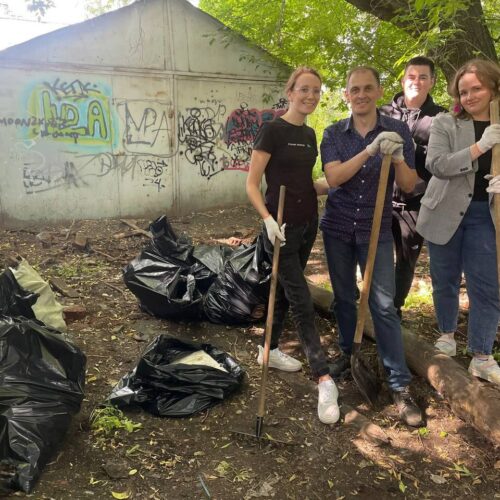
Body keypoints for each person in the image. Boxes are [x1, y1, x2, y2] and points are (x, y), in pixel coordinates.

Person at [320, 66, 424, 426]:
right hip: (336, 228)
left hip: (376, 229)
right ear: (346, 95)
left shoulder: (397, 131)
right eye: (354, 89)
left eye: (368, 88)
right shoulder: (333, 132)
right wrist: (369, 152)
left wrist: (395, 158)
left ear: (379, 92)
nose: (361, 94)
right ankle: (350, 354)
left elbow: (410, 184)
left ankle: (399, 385)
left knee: (382, 305)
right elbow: (333, 177)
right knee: (344, 296)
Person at [246, 66, 340, 424]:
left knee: (287, 289)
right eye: (304, 89)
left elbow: (306, 182)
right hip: (280, 227)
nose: (311, 96)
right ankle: (323, 375)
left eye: (316, 90)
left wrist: (339, 181)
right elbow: (253, 184)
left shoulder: (311, 134)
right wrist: (268, 221)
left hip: (307, 224)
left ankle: (267, 350)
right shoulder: (272, 130)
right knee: (302, 298)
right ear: (290, 92)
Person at [416, 59, 500, 386]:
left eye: (476, 88)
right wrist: (481, 147)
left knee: (487, 286)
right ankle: (447, 334)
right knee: (445, 278)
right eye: (463, 91)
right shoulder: (445, 123)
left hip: (486, 215)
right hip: (444, 211)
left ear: (493, 86)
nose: (469, 96)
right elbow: (436, 164)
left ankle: (481, 355)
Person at [380, 56, 446, 319]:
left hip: (416, 204)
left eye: (422, 77)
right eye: (411, 76)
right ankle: (375, 305)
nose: (416, 82)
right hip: (380, 201)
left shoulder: (441, 119)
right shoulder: (383, 113)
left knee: (406, 260)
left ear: (432, 81)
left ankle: (394, 309)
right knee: (375, 253)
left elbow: (442, 164)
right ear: (402, 79)